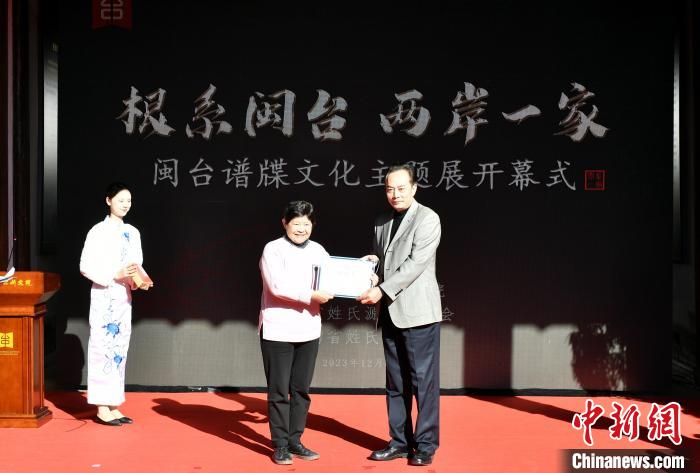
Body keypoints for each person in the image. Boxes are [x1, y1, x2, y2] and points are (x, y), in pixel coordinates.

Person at [358, 164, 442, 466]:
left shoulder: (428, 218)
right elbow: (384, 262)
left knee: (423, 383)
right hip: (391, 313)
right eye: (390, 189)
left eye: (401, 188)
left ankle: (426, 445)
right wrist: (371, 268)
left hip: (418, 314)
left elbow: (416, 264)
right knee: (395, 382)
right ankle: (399, 442)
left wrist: (381, 289)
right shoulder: (381, 220)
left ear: (414, 188)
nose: (395, 194)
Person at [258, 200, 334, 465]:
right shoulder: (273, 249)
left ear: (313, 225)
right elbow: (276, 287)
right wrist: (311, 295)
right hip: (278, 329)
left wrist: (364, 270)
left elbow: (336, 275)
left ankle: (295, 441)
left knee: (301, 390)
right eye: (296, 223)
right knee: (279, 390)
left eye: (306, 224)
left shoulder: (318, 250)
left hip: (309, 328)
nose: (301, 229)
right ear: (284, 223)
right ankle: (280, 445)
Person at [79, 182, 149, 426]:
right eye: (121, 200)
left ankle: (113, 403)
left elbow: (136, 265)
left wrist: (139, 280)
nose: (126, 205)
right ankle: (101, 406)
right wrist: (114, 274)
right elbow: (85, 265)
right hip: (104, 293)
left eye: (129, 201)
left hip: (123, 296)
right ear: (108, 201)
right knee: (102, 346)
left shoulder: (133, 232)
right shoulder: (97, 231)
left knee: (119, 348)